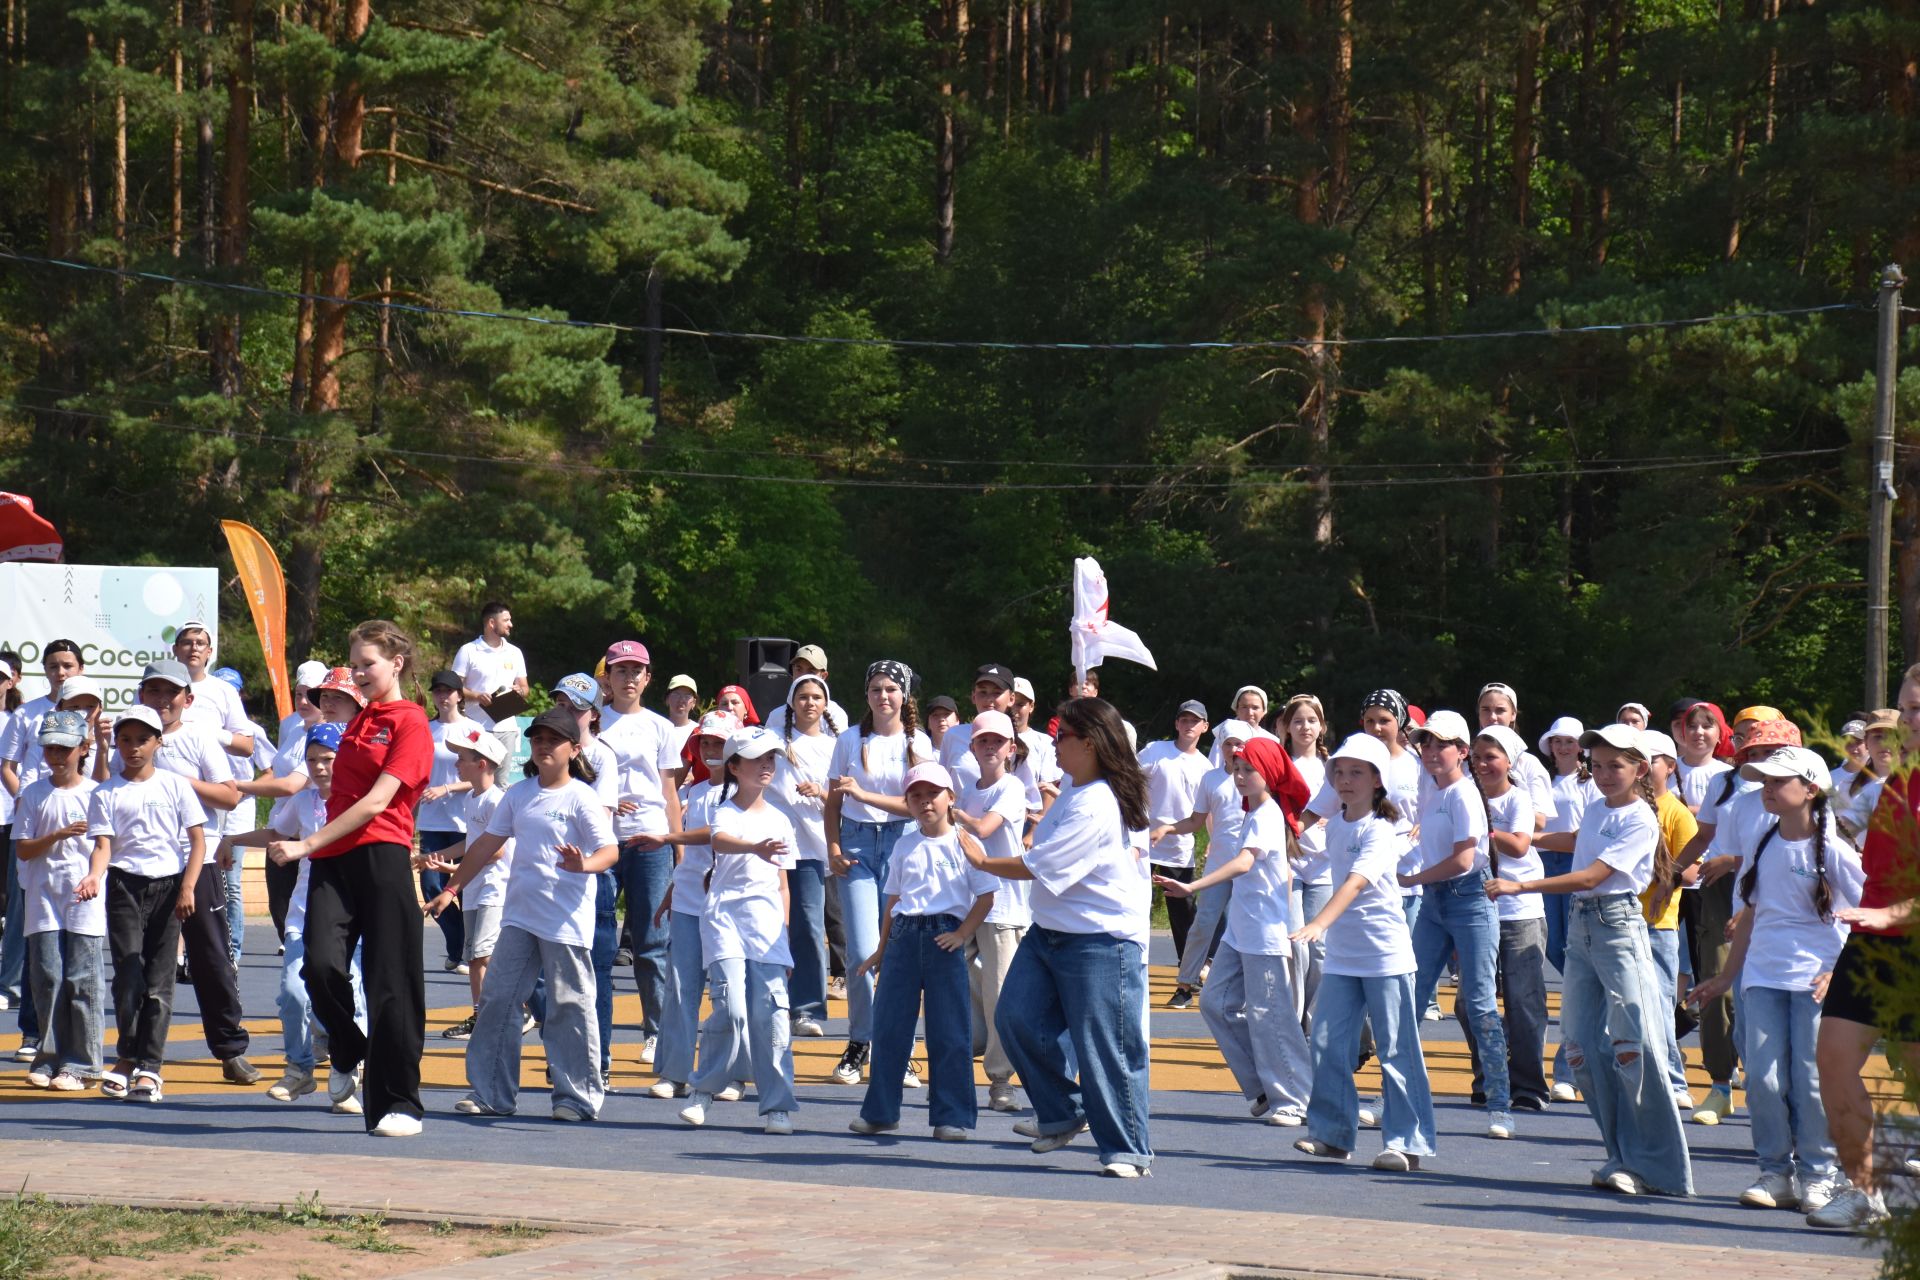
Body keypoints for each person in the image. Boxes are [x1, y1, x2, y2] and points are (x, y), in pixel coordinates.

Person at [1490, 723, 1692, 1198]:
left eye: (1615, 766)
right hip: (1583, 927)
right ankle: (1621, 1155)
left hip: (1619, 926)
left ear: (1640, 768)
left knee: (1633, 1047)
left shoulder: (1642, 817)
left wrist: (1521, 885)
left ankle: (1655, 1168)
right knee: (1580, 1047)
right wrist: (1526, 839)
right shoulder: (1601, 807)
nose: (1602, 774)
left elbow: (1591, 876)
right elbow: (1580, 840)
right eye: (1596, 765)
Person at [958, 696, 1155, 1179]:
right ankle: (1065, 1112)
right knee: (1016, 1018)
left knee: (1105, 1046)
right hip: (1051, 932)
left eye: (1062, 736)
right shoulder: (1074, 789)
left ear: (1089, 743)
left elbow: (1041, 866)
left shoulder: (1099, 805)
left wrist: (982, 861)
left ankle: (1128, 1149)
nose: (1053, 745)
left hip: (1100, 940)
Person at [267, 619, 435, 1137]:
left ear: (397, 664)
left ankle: (399, 1103)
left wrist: (306, 844)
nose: (360, 673)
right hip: (334, 862)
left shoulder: (410, 722)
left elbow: (380, 800)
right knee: (317, 966)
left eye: (369, 664)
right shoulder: (358, 722)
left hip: (381, 856)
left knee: (391, 985)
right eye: (355, 665)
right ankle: (347, 1046)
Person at [1688, 745, 1858, 1216]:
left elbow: (1865, 914)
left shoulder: (1835, 848)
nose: (1767, 789)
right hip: (1761, 977)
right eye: (1763, 781)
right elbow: (1752, 913)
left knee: (1809, 1080)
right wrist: (1725, 977)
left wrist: (1837, 970)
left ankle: (1821, 1176)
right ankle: (1775, 1173)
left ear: (1810, 789)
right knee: (1762, 1078)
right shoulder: (1764, 843)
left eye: (1777, 781)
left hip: (1815, 982)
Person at [431, 707, 618, 1123]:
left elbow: (609, 851)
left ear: (572, 748)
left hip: (565, 920)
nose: (544, 745)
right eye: (538, 739)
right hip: (518, 917)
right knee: (497, 1000)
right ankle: (492, 1093)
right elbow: (482, 846)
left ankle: (577, 1098)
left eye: (554, 739)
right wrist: (451, 888)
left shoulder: (581, 797)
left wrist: (584, 865)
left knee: (569, 1005)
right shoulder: (518, 794)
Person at [1291, 732, 1437, 1170]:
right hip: (1343, 957)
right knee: (1326, 1043)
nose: (1346, 779)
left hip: (1384, 954)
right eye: (1340, 771)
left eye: (1357, 772)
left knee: (1396, 1051)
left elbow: (1355, 883)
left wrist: (1318, 923)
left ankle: (1406, 1143)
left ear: (1378, 780)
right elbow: (1303, 858)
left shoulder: (1381, 829)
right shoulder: (1334, 824)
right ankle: (1333, 1135)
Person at [1809, 665, 1920, 1231]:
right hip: (1872, 942)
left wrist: (1889, 912)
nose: (1913, 720)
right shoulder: (1895, 783)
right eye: (1909, 708)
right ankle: (1865, 1195)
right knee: (1832, 1061)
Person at [1156, 737, 1312, 1127]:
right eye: (1237, 768)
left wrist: (1193, 887)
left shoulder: (1267, 814)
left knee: (1271, 1016)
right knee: (1215, 1003)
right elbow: (1279, 872)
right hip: (1240, 933)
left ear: (1270, 773)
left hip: (1262, 935)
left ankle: (1296, 1098)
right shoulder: (1253, 812)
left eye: (1249, 769)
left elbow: (1244, 863)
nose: (1239, 776)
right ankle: (1263, 1086)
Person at [848, 762, 996, 1140]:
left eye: (933, 794)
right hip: (903, 936)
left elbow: (986, 895)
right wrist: (882, 949)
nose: (925, 801)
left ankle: (952, 1116)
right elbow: (893, 900)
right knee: (890, 1027)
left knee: (949, 1030)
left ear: (951, 798)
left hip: (943, 935)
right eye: (916, 795)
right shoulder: (905, 844)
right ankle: (881, 1112)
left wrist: (963, 933)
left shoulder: (965, 842)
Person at [225, 722, 369, 1110]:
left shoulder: (362, 800)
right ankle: (300, 1068)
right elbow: (277, 833)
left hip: (349, 913)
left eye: (328, 759)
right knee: (292, 992)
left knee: (350, 992)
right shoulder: (304, 802)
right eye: (312, 760)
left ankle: (348, 1070)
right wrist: (233, 839)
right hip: (303, 913)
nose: (320, 767)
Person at [125, 659, 256, 1085]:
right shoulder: (127, 739)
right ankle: (141, 1058)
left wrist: (178, 780)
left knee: (211, 955)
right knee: (141, 963)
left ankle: (230, 1050)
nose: (162, 700)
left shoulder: (198, 738)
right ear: (141, 694)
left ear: (188, 698)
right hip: (139, 865)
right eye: (154, 691)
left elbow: (230, 796)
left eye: (171, 693)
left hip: (193, 861)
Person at [1676, 711, 1799, 1126]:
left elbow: (1793, 854)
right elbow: (1706, 838)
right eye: (1752, 745)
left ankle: (1780, 1097)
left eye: (1771, 750)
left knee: (1767, 998)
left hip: (1776, 902)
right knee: (1716, 986)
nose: (1762, 756)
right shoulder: (1727, 786)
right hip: (1724, 896)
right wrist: (1671, 875)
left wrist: (1732, 862)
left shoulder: (1802, 797)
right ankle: (1720, 1085)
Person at [681, 725, 801, 1135]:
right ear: (734, 766)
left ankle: (777, 1106)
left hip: (767, 927)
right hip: (723, 919)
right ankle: (704, 1090)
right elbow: (722, 842)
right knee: (730, 1008)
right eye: (756, 758)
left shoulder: (783, 821)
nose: (767, 765)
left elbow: (784, 886)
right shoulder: (723, 811)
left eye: (771, 758)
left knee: (771, 1017)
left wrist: (783, 937)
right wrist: (754, 848)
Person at [1404, 709, 1513, 1139]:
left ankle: (1501, 1105)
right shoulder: (1429, 786)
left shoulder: (1465, 793)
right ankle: (1394, 1094)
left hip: (1469, 897)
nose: (1430, 750)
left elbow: (1465, 860)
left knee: (1480, 1001)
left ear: (1462, 751)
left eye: (1439, 743)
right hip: (1435, 900)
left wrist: (1412, 878)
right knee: (1408, 997)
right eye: (1425, 742)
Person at [824, 659, 933, 1088]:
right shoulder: (849, 739)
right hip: (856, 847)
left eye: (891, 689)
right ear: (866, 695)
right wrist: (832, 845)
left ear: (904, 695)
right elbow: (833, 802)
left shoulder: (919, 742)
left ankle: (898, 1048)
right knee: (862, 951)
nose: (882, 697)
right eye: (875, 690)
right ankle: (860, 1041)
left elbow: (918, 807)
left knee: (899, 955)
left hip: (904, 845)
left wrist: (865, 794)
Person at [90, 705, 207, 1103]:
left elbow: (197, 840)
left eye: (143, 739)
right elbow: (104, 845)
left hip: (169, 886)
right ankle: (126, 1058)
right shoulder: (106, 791)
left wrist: (188, 887)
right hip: (124, 885)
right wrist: (94, 875)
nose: (134, 747)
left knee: (159, 982)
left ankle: (150, 1068)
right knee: (128, 976)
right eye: (126, 740)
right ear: (116, 743)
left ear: (159, 742)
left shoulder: (175, 785)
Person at [597, 639, 684, 1069]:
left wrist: (677, 842)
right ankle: (597, 1035)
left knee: (652, 942)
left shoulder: (660, 727)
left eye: (636, 671)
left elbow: (668, 789)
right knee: (598, 940)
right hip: (605, 840)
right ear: (607, 677)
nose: (628, 678)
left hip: (650, 839)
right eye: (620, 671)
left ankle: (657, 1032)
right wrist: (608, 799)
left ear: (648, 678)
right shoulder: (592, 723)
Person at [646, 710, 739, 1099]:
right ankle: (675, 1071)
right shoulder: (690, 793)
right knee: (681, 988)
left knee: (729, 993)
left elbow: (718, 836)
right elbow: (691, 853)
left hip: (730, 903)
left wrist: (669, 838)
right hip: (687, 898)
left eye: (719, 743)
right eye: (705, 742)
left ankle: (729, 1074)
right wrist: (671, 889)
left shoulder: (746, 794)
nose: (711, 749)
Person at [1459, 723, 1548, 1113]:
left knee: (1523, 1001)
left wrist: (1482, 830)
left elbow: (1518, 846)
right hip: (1475, 908)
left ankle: (1528, 1085)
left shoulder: (1518, 799)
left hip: (1520, 910)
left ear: (1509, 762)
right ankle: (1489, 1075)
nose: (1481, 764)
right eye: (1476, 757)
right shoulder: (1463, 794)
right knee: (1469, 1001)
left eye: (1490, 757)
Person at [13, 710, 103, 1090]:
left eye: (65, 748)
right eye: (50, 747)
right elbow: (23, 849)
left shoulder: (95, 793)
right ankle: (49, 1057)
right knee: (47, 976)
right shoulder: (33, 793)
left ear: (83, 749)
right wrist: (58, 834)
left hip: (83, 898)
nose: (56, 755)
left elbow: (104, 844)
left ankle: (82, 1063)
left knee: (81, 979)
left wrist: (94, 875)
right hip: (43, 896)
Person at [952, 710, 1032, 1112]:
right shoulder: (967, 789)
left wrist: (947, 812)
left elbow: (983, 831)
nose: (989, 747)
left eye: (997, 742)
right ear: (972, 746)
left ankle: (1001, 1080)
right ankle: (978, 1043)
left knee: (1000, 992)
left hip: (1005, 905)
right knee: (956, 976)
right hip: (969, 903)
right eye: (982, 740)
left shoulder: (1012, 788)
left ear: (1010, 749)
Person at [0, 638, 84, 1015]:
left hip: (80, 820)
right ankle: (10, 984)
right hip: (33, 818)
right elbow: (7, 766)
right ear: (44, 671)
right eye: (53, 666)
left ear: (79, 668)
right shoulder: (27, 714)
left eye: (67, 665)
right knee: (23, 906)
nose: (60, 672)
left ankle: (70, 990)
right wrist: (26, 800)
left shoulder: (92, 713)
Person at [1157, 721, 1257, 1010]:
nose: (1234, 749)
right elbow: (1195, 821)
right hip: (1218, 867)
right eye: (1228, 744)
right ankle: (1185, 985)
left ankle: (1249, 990)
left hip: (1251, 867)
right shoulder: (1211, 779)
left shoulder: (1259, 778)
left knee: (1248, 925)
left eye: (1239, 743)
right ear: (1220, 747)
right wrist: (1165, 829)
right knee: (1203, 924)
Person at [425, 723, 512, 1043]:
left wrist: (452, 869)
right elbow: (471, 843)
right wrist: (436, 856)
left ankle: (497, 1014)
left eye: (461, 758)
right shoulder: (473, 800)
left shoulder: (495, 800)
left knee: (482, 956)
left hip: (493, 886)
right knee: (477, 955)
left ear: (482, 764)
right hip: (475, 887)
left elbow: (496, 851)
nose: (456, 764)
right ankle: (486, 1013)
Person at [769, 674, 839, 1038]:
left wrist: (822, 792)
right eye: (803, 697)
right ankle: (769, 1000)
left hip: (811, 849)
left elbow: (846, 800)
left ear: (825, 705)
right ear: (791, 703)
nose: (810, 703)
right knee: (769, 924)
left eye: (816, 697)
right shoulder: (774, 742)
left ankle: (807, 1007)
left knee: (810, 927)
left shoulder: (834, 747)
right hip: (770, 848)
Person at [1641, 730, 1702, 1107]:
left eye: (1652, 761)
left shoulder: (1677, 811)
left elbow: (1693, 870)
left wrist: (1666, 883)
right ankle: (1569, 1075)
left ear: (1669, 766)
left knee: (1662, 1003)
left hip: (1659, 923)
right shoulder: (1621, 805)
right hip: (1618, 917)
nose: (1644, 769)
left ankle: (1675, 1083)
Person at [1138, 700, 1213, 981]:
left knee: (1183, 913)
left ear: (1204, 727)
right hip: (1144, 841)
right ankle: (1134, 963)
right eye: (1184, 719)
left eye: (1195, 721)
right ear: (1176, 724)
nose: (1188, 725)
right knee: (1136, 904)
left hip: (1180, 846)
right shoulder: (1156, 750)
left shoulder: (1206, 767)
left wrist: (1213, 840)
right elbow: (1130, 781)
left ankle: (1190, 969)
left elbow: (1206, 812)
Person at [417, 670, 473, 974]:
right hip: (432, 822)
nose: (443, 696)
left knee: (464, 888)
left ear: (460, 695)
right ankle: (459, 944)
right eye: (437, 691)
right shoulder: (425, 729)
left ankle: (465, 952)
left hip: (464, 821)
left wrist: (448, 788)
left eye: (448, 691)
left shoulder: (473, 729)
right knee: (431, 886)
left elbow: (485, 772)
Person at [1280, 694, 1332, 1026]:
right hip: (1289, 863)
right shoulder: (1280, 766)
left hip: (1325, 866)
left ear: (1322, 726)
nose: (1305, 727)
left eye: (1311, 721)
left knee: (1322, 948)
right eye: (1298, 721)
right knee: (1296, 947)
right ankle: (1292, 1020)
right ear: (1286, 727)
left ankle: (1314, 1021)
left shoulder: (1333, 767)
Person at [169, 622, 256, 758]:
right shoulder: (154, 687)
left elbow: (247, 746)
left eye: (200, 643)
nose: (194, 648)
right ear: (175, 649)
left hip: (209, 777)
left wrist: (211, 734)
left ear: (209, 652)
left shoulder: (225, 690)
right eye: (187, 643)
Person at [451, 603, 529, 753]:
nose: (510, 624)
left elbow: (525, 688)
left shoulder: (515, 652)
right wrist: (476, 696)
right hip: (475, 726)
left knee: (502, 777)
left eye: (510, 620)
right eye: (506, 620)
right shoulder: (468, 650)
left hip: (507, 729)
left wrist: (520, 691)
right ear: (491, 623)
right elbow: (454, 687)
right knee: (472, 775)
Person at [764, 645, 850, 735]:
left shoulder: (836, 714)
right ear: (792, 671)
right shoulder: (776, 716)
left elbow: (840, 748)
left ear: (823, 676)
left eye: (811, 671)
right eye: (799, 669)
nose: (804, 676)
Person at [663, 675, 700, 759]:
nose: (682, 699)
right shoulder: (657, 728)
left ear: (694, 702)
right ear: (667, 698)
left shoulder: (698, 732)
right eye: (676, 694)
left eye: (687, 696)